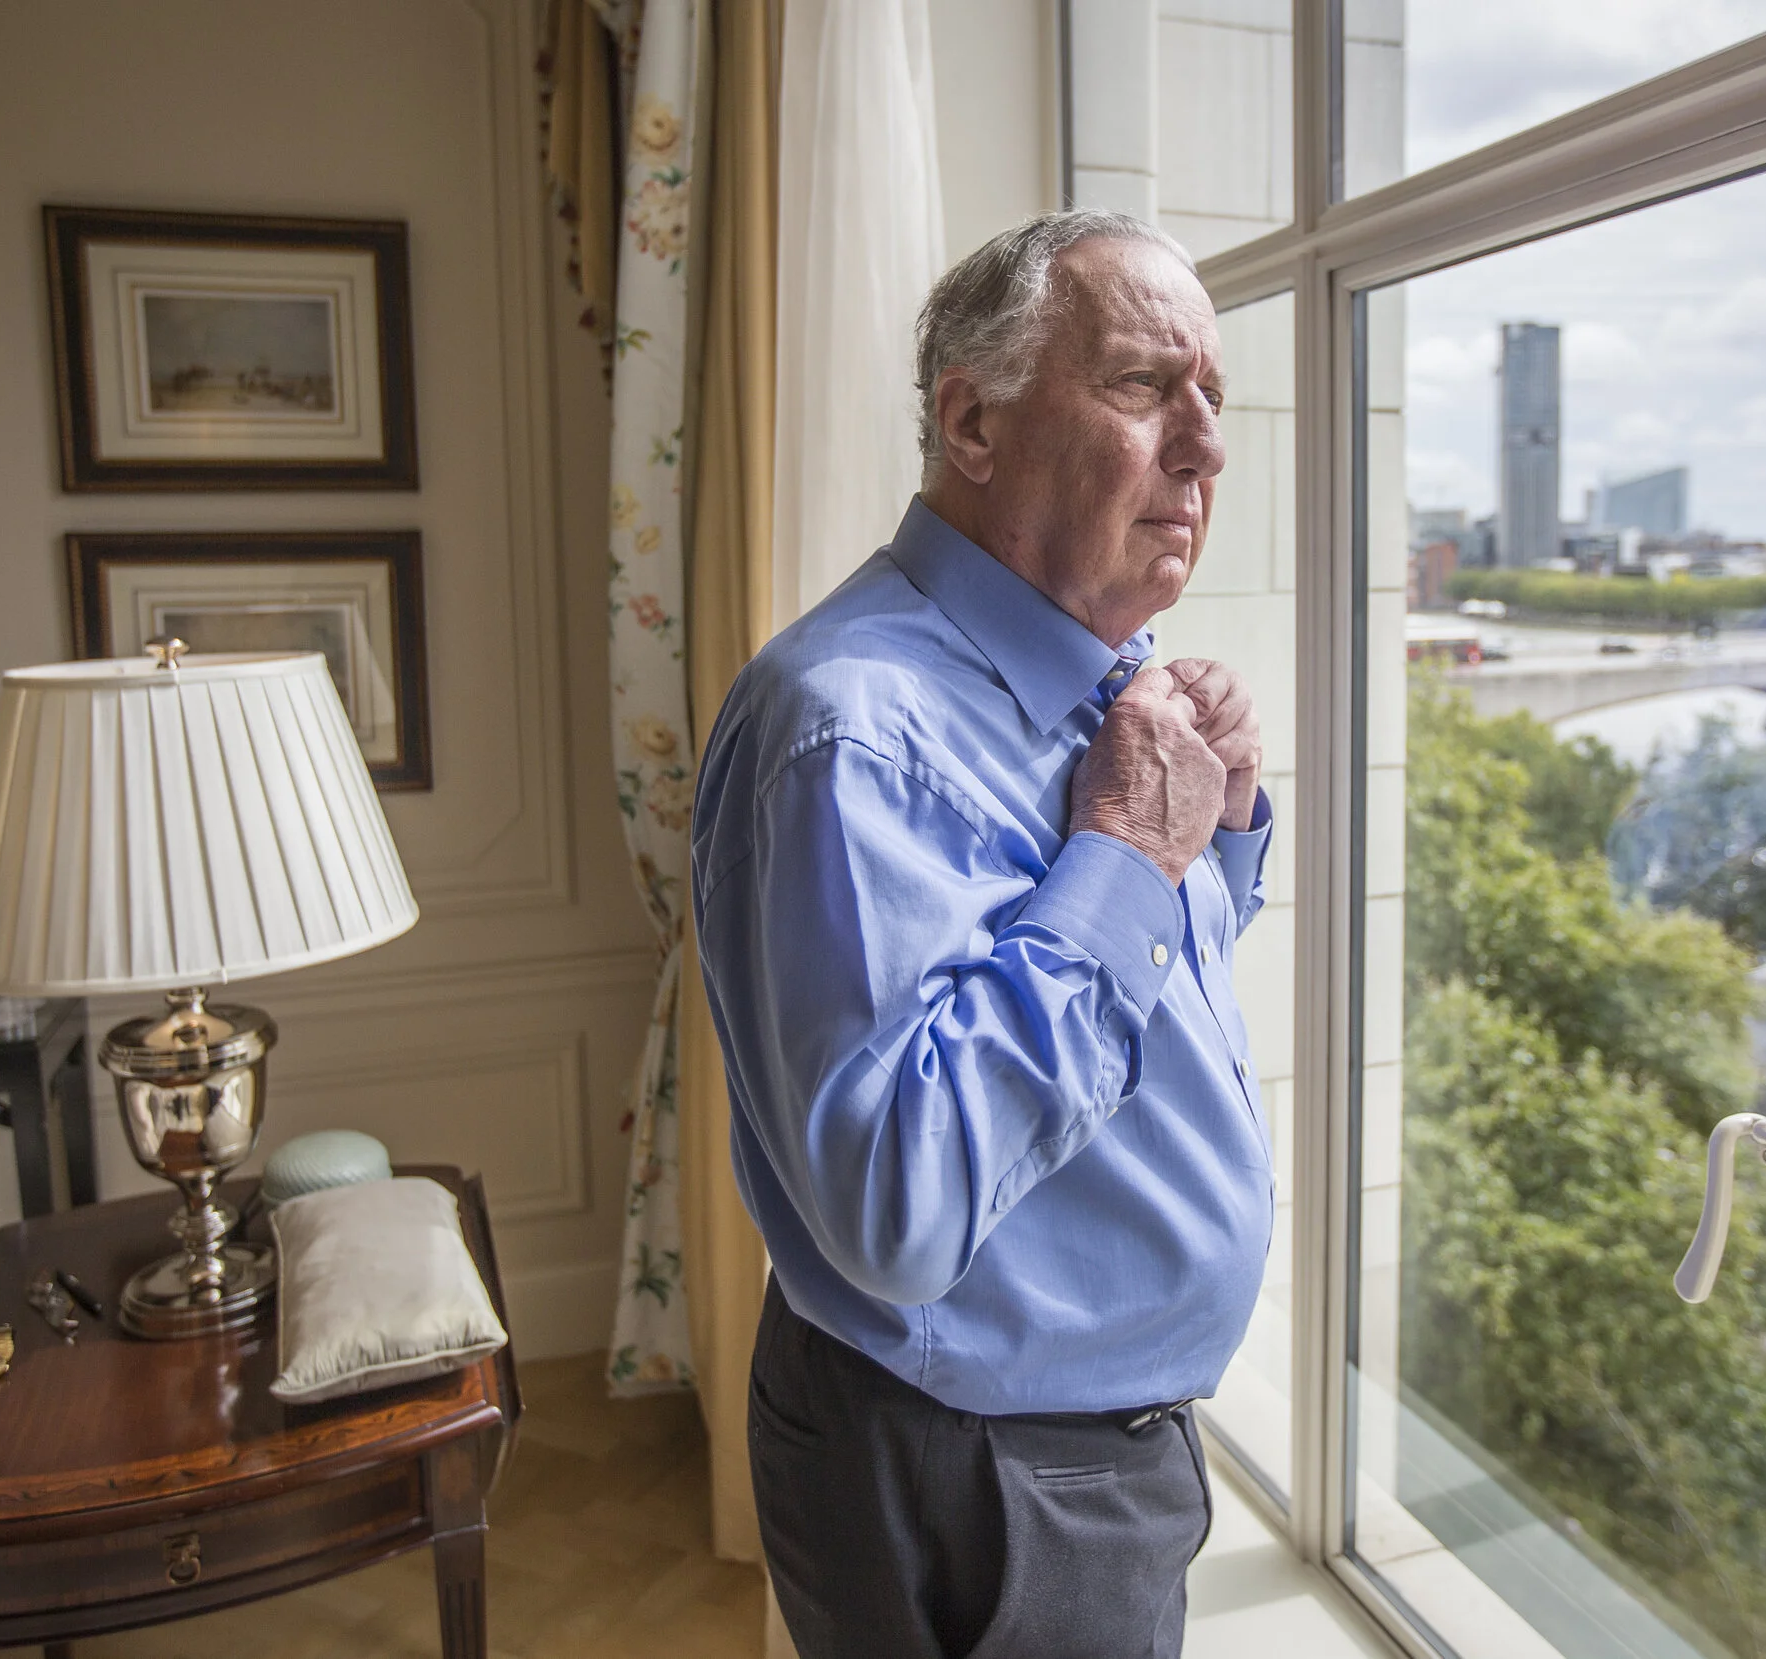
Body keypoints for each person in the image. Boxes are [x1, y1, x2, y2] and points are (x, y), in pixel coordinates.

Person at [693, 208, 1274, 1658]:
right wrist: (1131, 850)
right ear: (972, 420)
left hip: (1078, 1441)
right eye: (1146, 385)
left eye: (1216, 396)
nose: (1205, 446)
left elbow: (1108, 1005)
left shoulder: (1092, 676)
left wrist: (1220, 843)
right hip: (982, 1473)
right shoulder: (848, 733)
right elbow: (899, 1199)